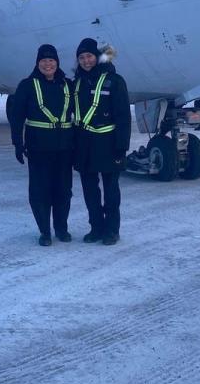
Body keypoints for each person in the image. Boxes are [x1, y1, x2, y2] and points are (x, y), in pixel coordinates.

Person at [9, 44, 75, 246]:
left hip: (64, 148)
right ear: (38, 63)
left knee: (63, 190)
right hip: (38, 148)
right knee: (40, 191)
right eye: (44, 61)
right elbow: (16, 116)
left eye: (52, 60)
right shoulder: (27, 85)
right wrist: (17, 143)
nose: (48, 64)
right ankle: (45, 232)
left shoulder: (68, 85)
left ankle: (61, 229)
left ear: (57, 62)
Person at [72, 38, 131, 245]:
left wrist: (121, 147)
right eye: (81, 58)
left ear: (97, 57)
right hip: (84, 144)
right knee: (90, 190)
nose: (86, 61)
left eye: (89, 56)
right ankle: (96, 227)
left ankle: (112, 230)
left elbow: (123, 116)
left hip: (108, 143)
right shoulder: (78, 82)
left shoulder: (114, 81)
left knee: (111, 191)